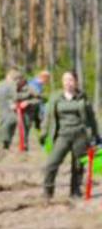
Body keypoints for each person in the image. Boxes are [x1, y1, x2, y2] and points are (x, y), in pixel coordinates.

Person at [41, 69, 100, 199]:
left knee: (78, 166)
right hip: (62, 135)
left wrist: (96, 136)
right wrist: (44, 133)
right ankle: (48, 192)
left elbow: (91, 119)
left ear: (76, 82)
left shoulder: (82, 98)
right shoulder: (56, 98)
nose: (68, 83)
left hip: (80, 135)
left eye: (70, 80)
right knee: (51, 163)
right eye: (65, 80)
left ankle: (75, 192)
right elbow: (47, 117)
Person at [0, 68, 24, 150]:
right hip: (10, 108)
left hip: (1, 106)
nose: (18, 81)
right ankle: (6, 142)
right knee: (12, 122)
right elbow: (15, 97)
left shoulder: (0, 83)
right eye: (17, 79)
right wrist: (24, 96)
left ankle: (3, 142)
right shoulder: (12, 85)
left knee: (3, 122)